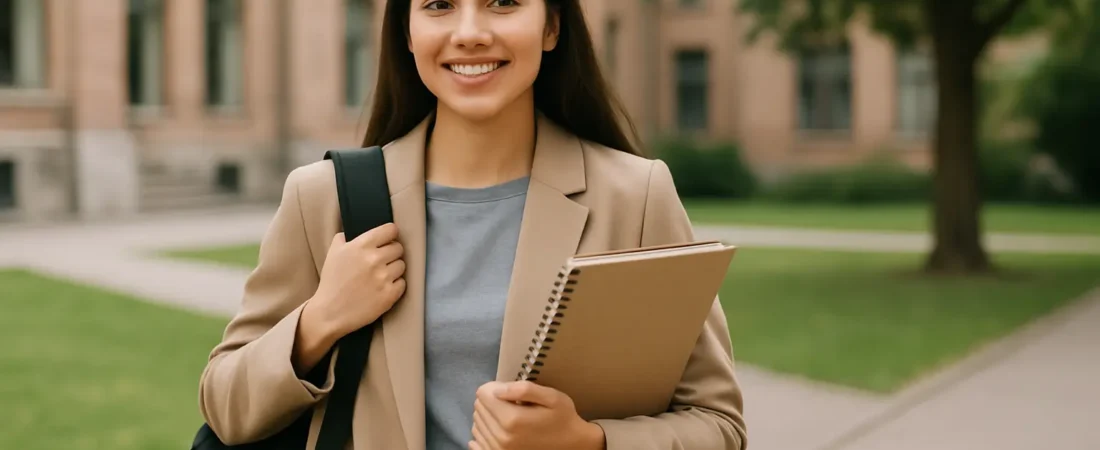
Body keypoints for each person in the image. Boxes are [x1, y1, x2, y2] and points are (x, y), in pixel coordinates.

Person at [197, 0, 747, 449]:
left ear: (552, 25)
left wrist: (588, 441)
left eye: (503, 3)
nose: (469, 33)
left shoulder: (636, 195)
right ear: (407, 33)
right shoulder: (323, 198)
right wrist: (318, 322)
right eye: (438, 5)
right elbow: (225, 407)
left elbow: (719, 425)